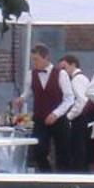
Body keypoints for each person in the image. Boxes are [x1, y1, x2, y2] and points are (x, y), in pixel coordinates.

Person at [45, 56, 90, 172]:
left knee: (77, 149)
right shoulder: (82, 78)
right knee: (78, 149)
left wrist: (68, 117)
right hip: (80, 118)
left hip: (78, 119)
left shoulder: (77, 80)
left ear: (73, 64)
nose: (63, 72)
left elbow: (81, 101)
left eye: (64, 68)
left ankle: (78, 175)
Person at [25, 44, 61, 172]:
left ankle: (64, 181)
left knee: (62, 152)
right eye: (33, 59)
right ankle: (47, 174)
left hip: (59, 119)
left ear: (46, 58)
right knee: (38, 150)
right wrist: (22, 98)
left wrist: (56, 114)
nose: (34, 62)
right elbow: (29, 91)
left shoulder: (60, 74)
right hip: (40, 118)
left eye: (36, 59)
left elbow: (69, 98)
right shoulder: (31, 74)